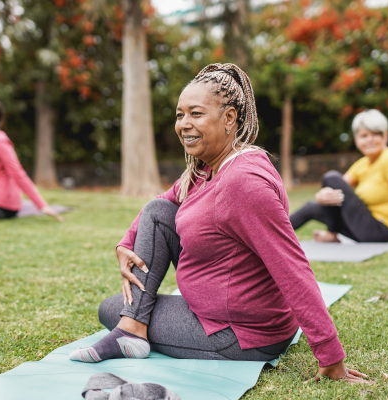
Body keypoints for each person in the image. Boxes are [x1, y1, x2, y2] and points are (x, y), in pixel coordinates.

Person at [70, 64, 369, 384]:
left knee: (110, 308)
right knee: (158, 213)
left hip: (241, 334)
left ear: (229, 118)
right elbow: (162, 203)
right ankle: (132, 328)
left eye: (196, 113)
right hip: (217, 313)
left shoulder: (243, 182)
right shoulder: (206, 169)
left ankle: (131, 327)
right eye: (179, 114)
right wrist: (125, 243)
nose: (184, 124)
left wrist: (331, 356)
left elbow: (292, 267)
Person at [290, 109, 388, 251]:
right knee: (312, 206)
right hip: (362, 226)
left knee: (330, 176)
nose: (370, 140)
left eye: (375, 134)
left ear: (385, 136)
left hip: (381, 230)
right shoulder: (363, 164)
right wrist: (321, 196)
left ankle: (332, 234)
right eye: (364, 136)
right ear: (356, 140)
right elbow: (336, 188)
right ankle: (270, 239)